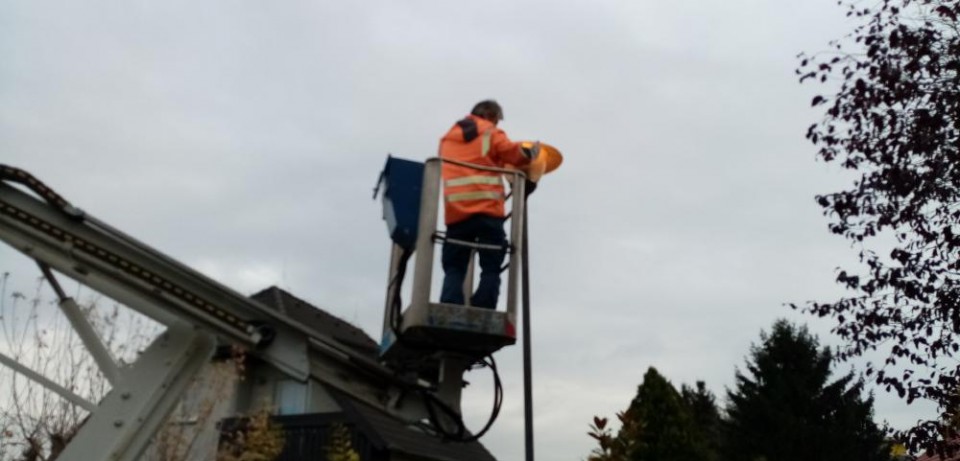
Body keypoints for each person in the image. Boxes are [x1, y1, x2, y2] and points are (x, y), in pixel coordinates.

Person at [438, 100, 537, 309]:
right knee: (491, 265)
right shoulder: (490, 132)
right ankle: (483, 306)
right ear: (490, 114)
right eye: (497, 120)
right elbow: (511, 152)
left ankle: (450, 305)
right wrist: (532, 151)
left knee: (455, 266)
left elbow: (474, 160)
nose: (497, 124)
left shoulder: (448, 138)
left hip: (456, 212)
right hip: (487, 210)